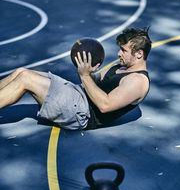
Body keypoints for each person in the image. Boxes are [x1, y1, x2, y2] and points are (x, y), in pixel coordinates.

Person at [0, 27, 151, 130]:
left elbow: (105, 105)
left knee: (26, 79)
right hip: (78, 95)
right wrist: (88, 70)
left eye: (123, 50)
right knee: (21, 71)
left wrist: (85, 76)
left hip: (81, 113)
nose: (119, 53)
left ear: (139, 54)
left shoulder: (137, 82)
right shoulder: (122, 67)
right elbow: (94, 80)